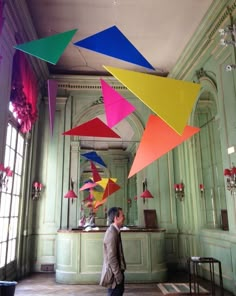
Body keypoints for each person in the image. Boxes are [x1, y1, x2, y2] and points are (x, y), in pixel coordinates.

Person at [100, 207, 126, 296]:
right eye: (122, 216)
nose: (124, 218)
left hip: (116, 273)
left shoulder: (115, 231)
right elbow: (112, 258)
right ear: (116, 218)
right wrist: (119, 276)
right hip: (114, 276)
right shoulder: (111, 233)